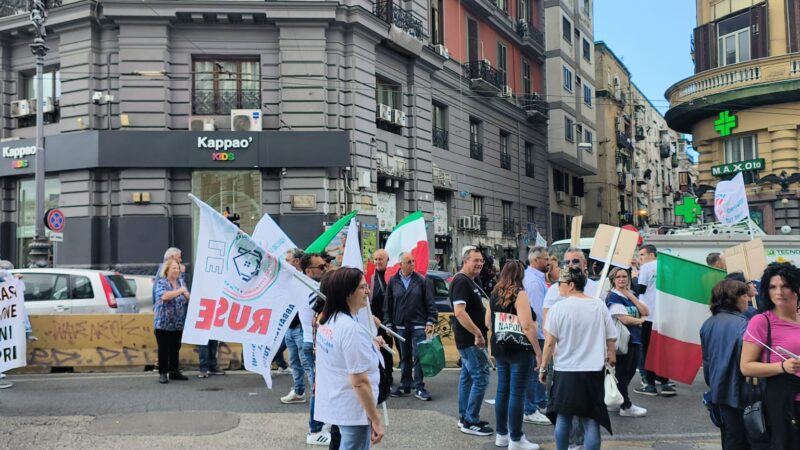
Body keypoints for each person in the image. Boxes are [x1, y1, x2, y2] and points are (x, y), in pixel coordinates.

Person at [540, 266, 616, 450]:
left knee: (564, 417)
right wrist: (611, 357)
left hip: (565, 370)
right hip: (593, 371)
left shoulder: (558, 308)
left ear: (571, 285)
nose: (558, 286)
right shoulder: (599, 305)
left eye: (561, 283)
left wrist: (543, 367)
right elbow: (611, 338)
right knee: (591, 419)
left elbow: (549, 342)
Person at [314, 268, 384, 450]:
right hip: (354, 409)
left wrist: (371, 346)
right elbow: (359, 381)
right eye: (362, 287)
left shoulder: (330, 320)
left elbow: (339, 358)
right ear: (347, 293)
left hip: (341, 402)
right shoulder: (350, 328)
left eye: (367, 286)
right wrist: (375, 419)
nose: (367, 291)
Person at [542, 247, 598, 449]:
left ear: (584, 264)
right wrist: (550, 352)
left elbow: (605, 327)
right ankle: (573, 442)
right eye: (567, 262)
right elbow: (546, 322)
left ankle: (580, 442)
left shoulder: (596, 288)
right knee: (564, 410)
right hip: (562, 358)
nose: (571, 265)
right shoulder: (555, 290)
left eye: (576, 261)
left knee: (587, 413)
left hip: (590, 361)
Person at [741, 262, 800, 449]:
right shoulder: (761, 321)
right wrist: (782, 366)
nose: (779, 292)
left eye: (785, 286)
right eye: (773, 287)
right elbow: (746, 366)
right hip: (784, 402)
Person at [486, 260, 543, 450]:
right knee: (517, 393)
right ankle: (516, 438)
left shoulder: (494, 293)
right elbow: (527, 326)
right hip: (519, 349)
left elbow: (488, 322)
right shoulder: (520, 294)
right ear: (521, 275)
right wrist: (538, 352)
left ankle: (502, 434)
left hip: (500, 347)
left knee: (502, 390)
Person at [700, 279, 752, 450]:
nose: (748, 299)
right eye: (744, 295)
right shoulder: (743, 324)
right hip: (740, 389)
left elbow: (707, 360)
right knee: (742, 438)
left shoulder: (709, 323)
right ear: (733, 298)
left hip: (718, 387)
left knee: (729, 435)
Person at [451, 247, 493, 436]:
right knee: (481, 377)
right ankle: (471, 420)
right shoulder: (461, 281)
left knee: (467, 378)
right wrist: (478, 333)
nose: (479, 264)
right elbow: (459, 312)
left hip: (470, 339)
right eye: (475, 260)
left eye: (481, 261)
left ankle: (465, 417)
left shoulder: (470, 281)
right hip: (470, 340)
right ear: (465, 261)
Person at [384, 252, 437, 401]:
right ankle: (405, 385)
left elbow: (430, 304)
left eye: (413, 261)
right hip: (400, 325)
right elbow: (387, 305)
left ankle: (419, 387)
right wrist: (388, 323)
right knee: (405, 357)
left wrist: (430, 321)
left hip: (419, 325)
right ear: (400, 264)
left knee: (418, 356)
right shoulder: (393, 281)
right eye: (408, 262)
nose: (412, 264)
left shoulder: (422, 281)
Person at [605, 267, 649, 418]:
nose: (622, 279)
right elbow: (623, 318)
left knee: (629, 372)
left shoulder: (630, 295)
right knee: (622, 373)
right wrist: (640, 321)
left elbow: (646, 311)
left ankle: (616, 400)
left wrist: (630, 295)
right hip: (623, 341)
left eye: (625, 276)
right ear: (613, 280)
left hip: (635, 339)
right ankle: (626, 405)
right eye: (618, 277)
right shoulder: (613, 296)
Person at [299, 252, 331, 446]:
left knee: (323, 385)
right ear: (309, 271)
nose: (325, 269)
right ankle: (314, 429)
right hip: (311, 343)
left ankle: (322, 422)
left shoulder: (315, 286)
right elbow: (325, 308)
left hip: (319, 342)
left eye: (325, 266)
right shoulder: (307, 289)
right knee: (318, 388)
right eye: (321, 267)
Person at [634, 244, 676, 397]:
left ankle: (650, 384)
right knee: (663, 350)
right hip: (664, 314)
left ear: (652, 254)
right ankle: (665, 383)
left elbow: (641, 289)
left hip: (649, 314)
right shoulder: (667, 267)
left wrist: (634, 276)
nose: (640, 259)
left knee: (647, 350)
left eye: (642, 255)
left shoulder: (646, 268)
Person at [522, 247, 550, 425]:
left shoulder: (536, 278)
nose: (548, 262)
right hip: (538, 333)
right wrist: (545, 334)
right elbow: (537, 311)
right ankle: (530, 409)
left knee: (539, 371)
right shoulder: (533, 281)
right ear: (536, 260)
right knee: (535, 371)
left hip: (539, 332)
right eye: (546, 259)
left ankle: (538, 404)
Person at [153, 260, 190, 384]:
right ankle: (163, 373)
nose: (176, 270)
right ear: (167, 270)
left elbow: (187, 297)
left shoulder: (181, 282)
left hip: (178, 322)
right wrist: (180, 291)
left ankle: (174, 371)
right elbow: (165, 296)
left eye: (178, 268)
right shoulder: (161, 282)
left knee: (175, 347)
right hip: (163, 322)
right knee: (164, 348)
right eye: (174, 268)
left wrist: (186, 295)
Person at [369, 249, 393, 391]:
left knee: (392, 350)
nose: (378, 262)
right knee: (381, 349)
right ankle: (385, 377)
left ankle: (404, 379)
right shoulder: (371, 277)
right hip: (375, 320)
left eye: (381, 259)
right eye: (376, 259)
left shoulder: (392, 276)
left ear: (387, 260)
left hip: (391, 318)